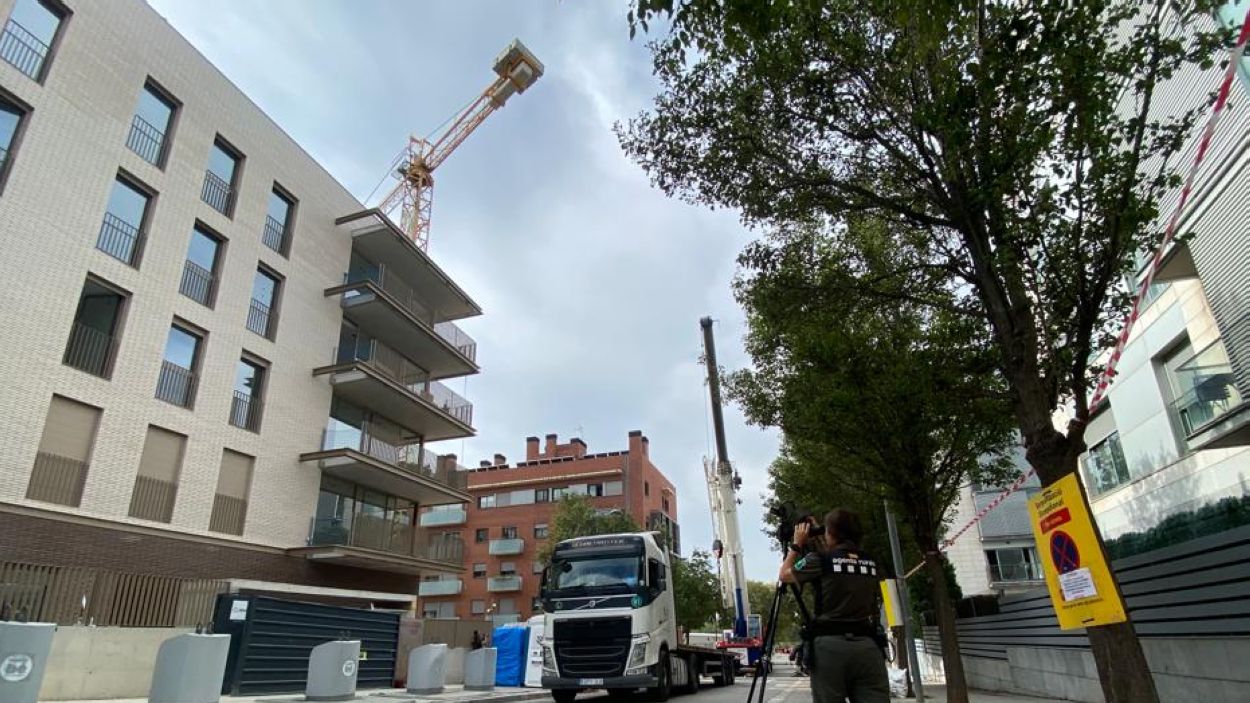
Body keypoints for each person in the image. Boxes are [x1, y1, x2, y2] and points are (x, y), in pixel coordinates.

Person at [780, 508, 889, 703]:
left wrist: (796, 545)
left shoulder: (819, 560)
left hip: (829, 648)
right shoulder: (871, 562)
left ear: (830, 533)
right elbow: (845, 563)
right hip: (868, 646)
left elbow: (785, 574)